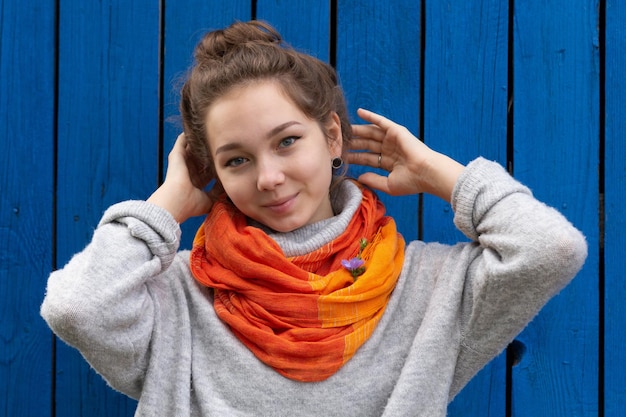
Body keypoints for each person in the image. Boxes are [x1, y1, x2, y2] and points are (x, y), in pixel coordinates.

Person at [41, 20, 587, 416]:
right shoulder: (180, 298)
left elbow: (551, 248)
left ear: (331, 136)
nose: (269, 177)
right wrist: (166, 203)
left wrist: (438, 172)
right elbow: (75, 307)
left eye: (287, 142)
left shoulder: (427, 290)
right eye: (236, 160)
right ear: (212, 173)